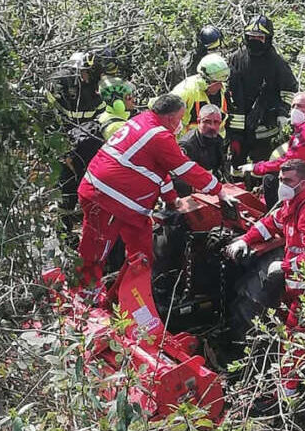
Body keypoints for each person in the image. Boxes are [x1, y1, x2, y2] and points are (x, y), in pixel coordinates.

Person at [76, 94, 233, 290]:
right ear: (169, 118)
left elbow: (159, 171)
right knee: (95, 252)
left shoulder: (143, 121)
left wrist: (171, 199)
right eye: (180, 118)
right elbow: (184, 169)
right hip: (106, 198)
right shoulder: (159, 136)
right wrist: (219, 190)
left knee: (142, 253)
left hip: (125, 203)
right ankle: (83, 300)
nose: (181, 123)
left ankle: (122, 295)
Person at [226, 159, 305, 396]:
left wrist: (284, 265)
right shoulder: (292, 205)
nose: (282, 185)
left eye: (287, 181)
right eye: (280, 180)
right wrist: (246, 239)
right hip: (303, 285)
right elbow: (270, 223)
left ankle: (287, 392)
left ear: (302, 182)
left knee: (294, 339)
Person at [46, 49, 118, 236]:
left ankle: (94, 234)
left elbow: (101, 119)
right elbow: (48, 121)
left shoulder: (97, 88)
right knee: (66, 191)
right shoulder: (61, 84)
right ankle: (64, 236)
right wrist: (64, 152)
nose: (90, 78)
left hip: (88, 144)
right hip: (65, 145)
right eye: (87, 73)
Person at [238, 92, 305, 208]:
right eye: (293, 106)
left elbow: (290, 162)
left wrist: (257, 167)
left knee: (271, 180)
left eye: (300, 106)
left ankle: (278, 218)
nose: (295, 109)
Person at [227, 14, 298, 169]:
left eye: (259, 38)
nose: (255, 41)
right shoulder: (236, 58)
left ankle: (261, 188)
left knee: (264, 164)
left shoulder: (276, 62)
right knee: (237, 165)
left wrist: (281, 112)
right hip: (239, 125)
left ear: (268, 38)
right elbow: (230, 90)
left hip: (265, 124)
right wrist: (233, 127)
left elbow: (290, 88)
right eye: (252, 37)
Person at [170, 53, 230, 137]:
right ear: (204, 81)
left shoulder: (223, 91)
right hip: (189, 144)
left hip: (214, 143)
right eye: (216, 82)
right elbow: (164, 116)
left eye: (222, 82)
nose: (220, 86)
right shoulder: (185, 91)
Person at [175, 104, 226, 196]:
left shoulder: (218, 140)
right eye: (207, 122)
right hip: (191, 193)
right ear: (198, 121)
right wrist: (194, 188)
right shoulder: (187, 145)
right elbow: (176, 177)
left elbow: (220, 167)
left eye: (216, 122)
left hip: (211, 188)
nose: (212, 127)